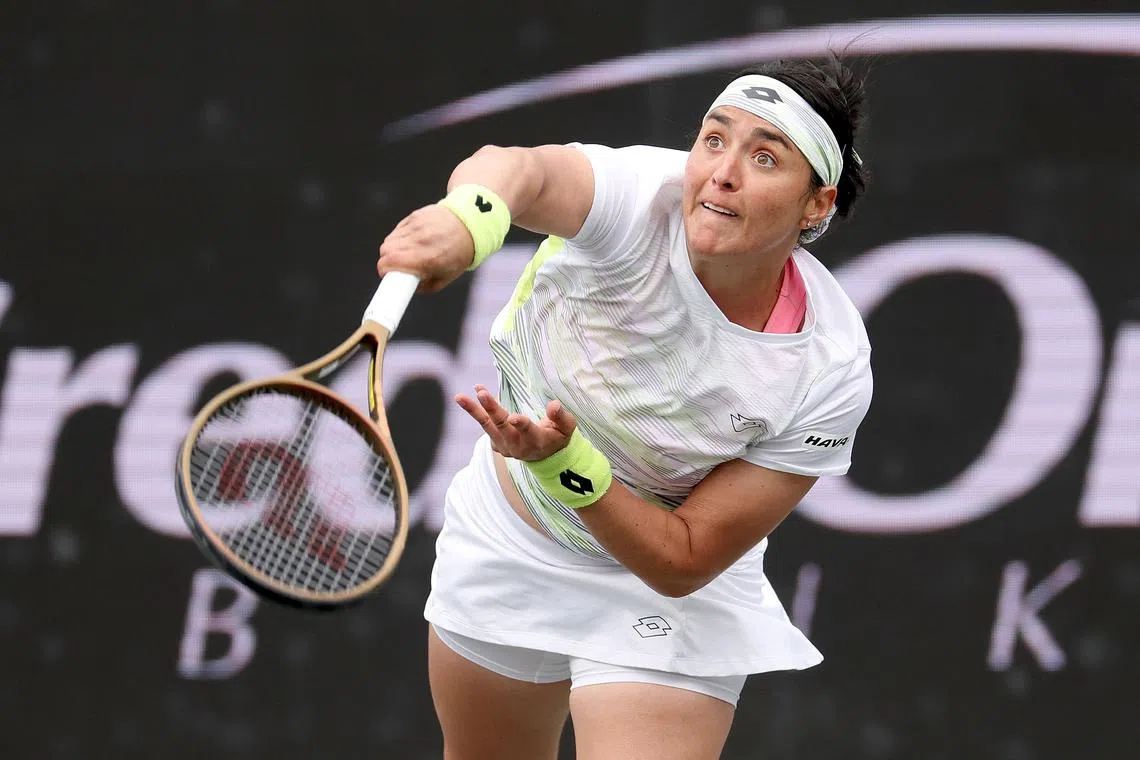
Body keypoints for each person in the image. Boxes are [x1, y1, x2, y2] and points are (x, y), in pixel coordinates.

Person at [377, 55, 873, 760]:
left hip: (663, 587)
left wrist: (566, 465)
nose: (722, 171)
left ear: (815, 204)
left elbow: (684, 559)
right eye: (714, 139)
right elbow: (521, 171)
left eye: (765, 157)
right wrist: (471, 219)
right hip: (512, 539)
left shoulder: (830, 368)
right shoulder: (639, 194)